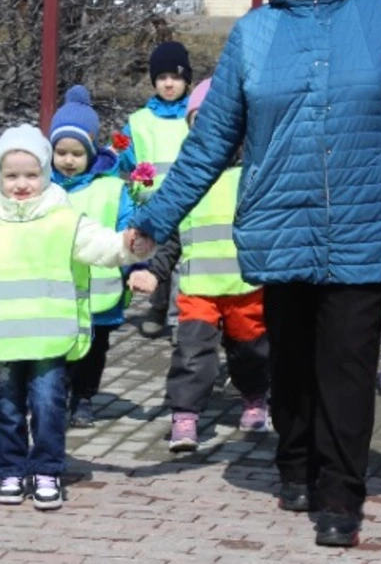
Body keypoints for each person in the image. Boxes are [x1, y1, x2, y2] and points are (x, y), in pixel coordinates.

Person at [126, 0, 381, 548]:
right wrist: (157, 218)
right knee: (290, 362)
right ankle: (295, 458)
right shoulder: (257, 31)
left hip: (370, 223)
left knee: (346, 364)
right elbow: (210, 141)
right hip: (280, 222)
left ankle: (340, 493)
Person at [0, 124, 151, 511]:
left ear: (46, 173)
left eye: (31, 174)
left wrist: (128, 246)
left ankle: (47, 469)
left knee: (49, 405)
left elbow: (101, 245)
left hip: (50, 338)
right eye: (11, 175)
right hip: (3, 340)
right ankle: (11, 469)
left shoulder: (65, 220)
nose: (21, 184)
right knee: (6, 408)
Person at [128, 78, 270, 452]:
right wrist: (153, 271)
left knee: (252, 355)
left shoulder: (253, 176)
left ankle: (255, 398)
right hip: (197, 290)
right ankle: (185, 415)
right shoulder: (186, 182)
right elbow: (172, 237)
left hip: (246, 289)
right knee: (192, 355)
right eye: (200, 124)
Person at [48, 85, 136, 428]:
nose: (68, 161)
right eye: (61, 152)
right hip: (56, 292)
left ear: (91, 152)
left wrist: (137, 266)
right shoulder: (42, 190)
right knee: (58, 349)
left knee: (94, 350)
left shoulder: (112, 189)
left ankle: (83, 396)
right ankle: (56, 396)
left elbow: (128, 229)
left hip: (101, 291)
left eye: (76, 153)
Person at [117, 41, 192, 338]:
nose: (169, 84)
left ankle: (180, 319)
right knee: (157, 258)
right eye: (162, 78)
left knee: (184, 262)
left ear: (186, 80)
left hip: (189, 204)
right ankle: (158, 308)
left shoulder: (196, 117)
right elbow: (121, 155)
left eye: (176, 77)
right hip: (152, 205)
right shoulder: (139, 121)